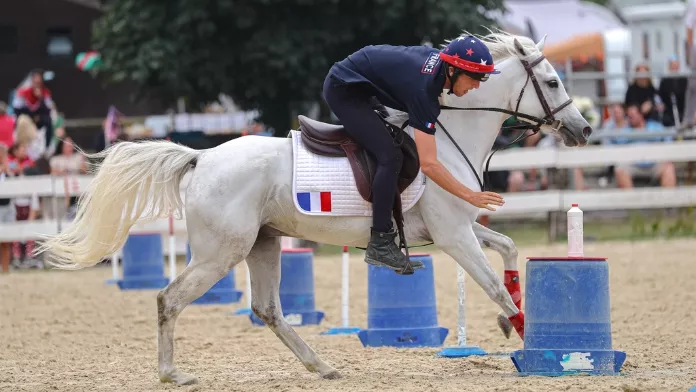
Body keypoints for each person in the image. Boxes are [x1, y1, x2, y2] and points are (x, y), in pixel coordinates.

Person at [322, 36, 505, 273]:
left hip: (363, 82)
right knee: (390, 157)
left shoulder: (436, 74)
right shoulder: (425, 91)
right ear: (452, 70)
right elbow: (429, 164)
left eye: (483, 78)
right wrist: (469, 195)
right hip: (344, 90)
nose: (477, 85)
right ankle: (380, 241)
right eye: (475, 77)